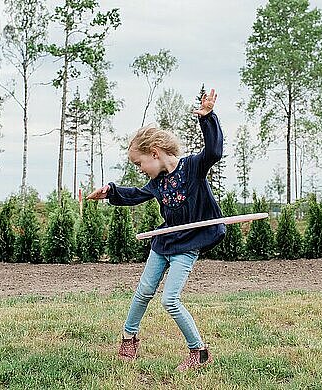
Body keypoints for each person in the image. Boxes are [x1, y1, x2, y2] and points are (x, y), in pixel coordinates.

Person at [87, 88, 225, 371]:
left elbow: (213, 151)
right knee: (143, 291)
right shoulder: (158, 182)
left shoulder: (192, 168)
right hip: (164, 241)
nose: (139, 168)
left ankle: (199, 352)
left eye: (139, 163)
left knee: (170, 300)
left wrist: (208, 118)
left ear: (154, 153)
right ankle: (128, 337)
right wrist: (110, 191)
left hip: (188, 244)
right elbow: (135, 194)